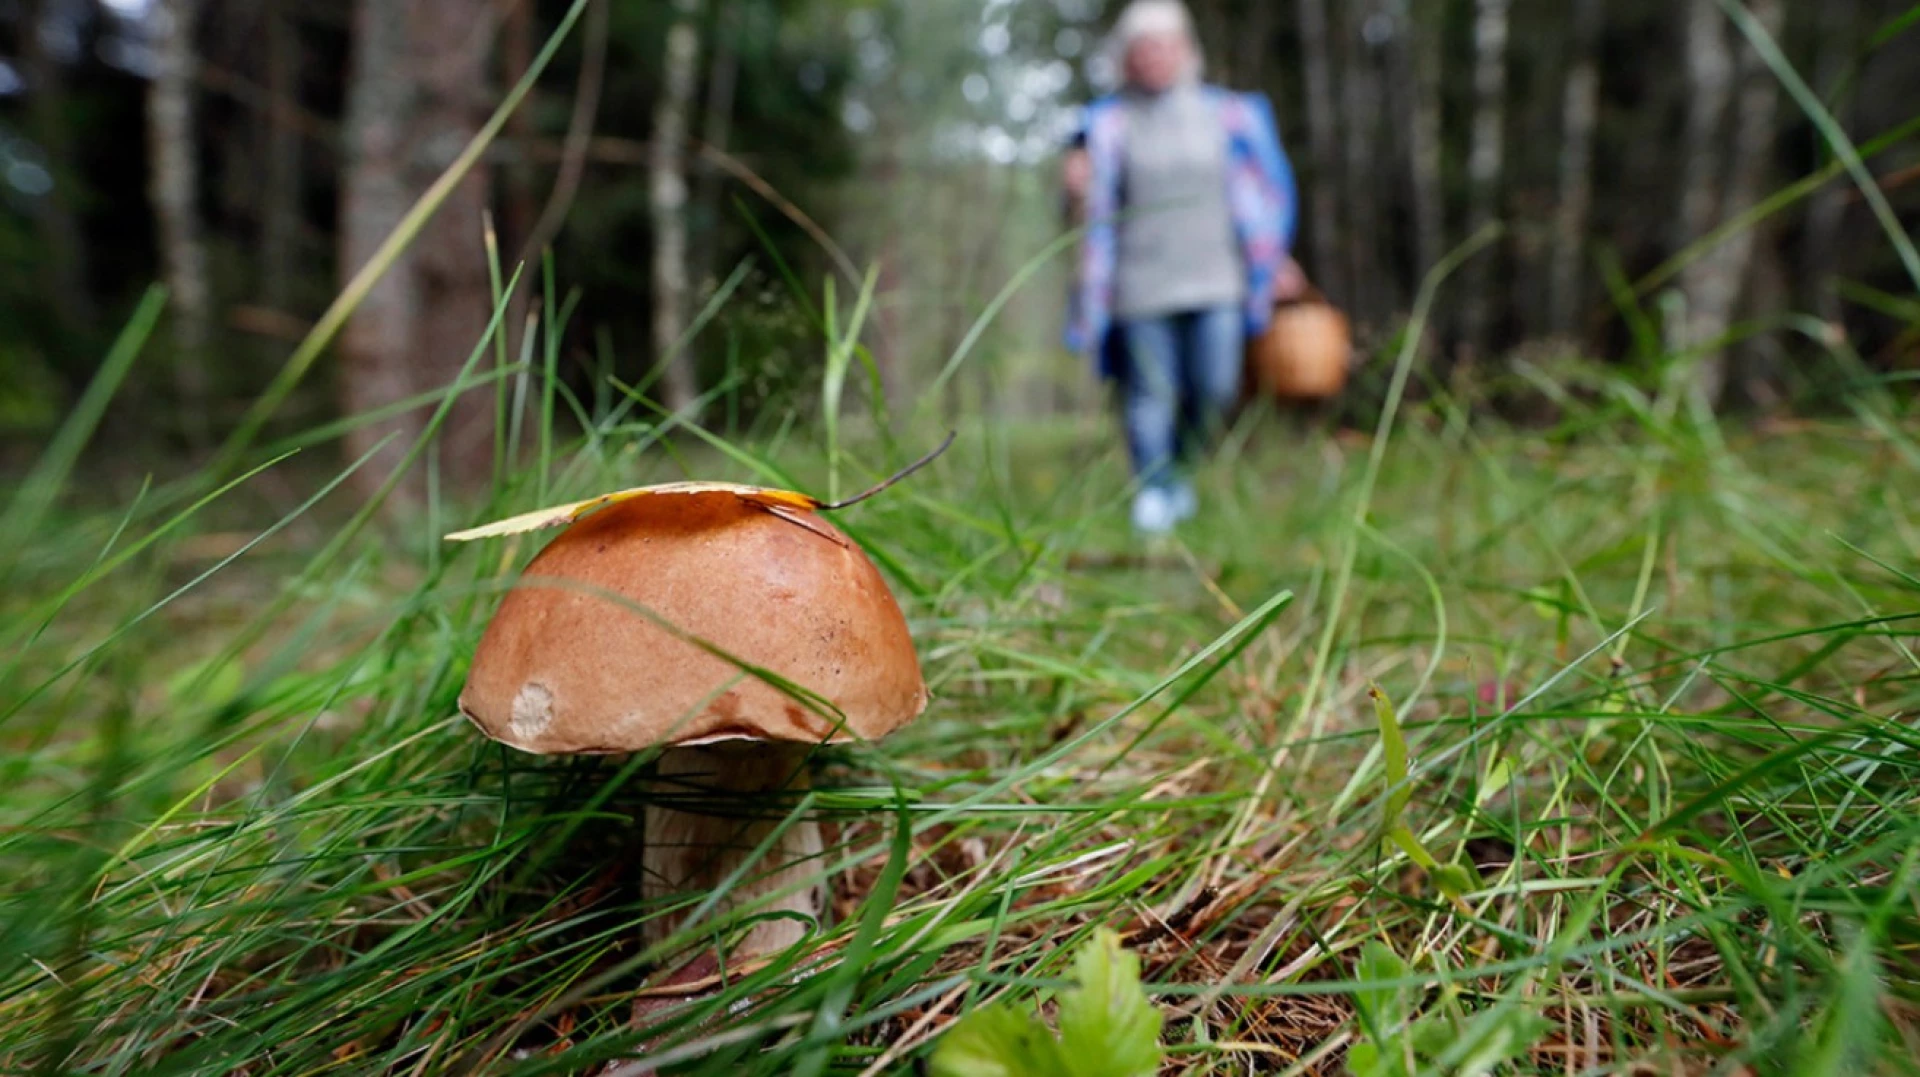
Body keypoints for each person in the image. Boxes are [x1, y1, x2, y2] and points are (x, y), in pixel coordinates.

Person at [1065, 0, 1300, 535]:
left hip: (1217, 277)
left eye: (1165, 45)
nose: (1154, 57)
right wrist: (1074, 189)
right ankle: (1151, 489)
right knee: (1151, 393)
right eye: (1142, 47)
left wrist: (1277, 258)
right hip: (1138, 283)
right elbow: (1081, 206)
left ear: (1186, 50)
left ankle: (1180, 473)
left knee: (1214, 387)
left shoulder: (1231, 115)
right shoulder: (1105, 124)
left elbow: (1261, 198)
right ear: (1125, 57)